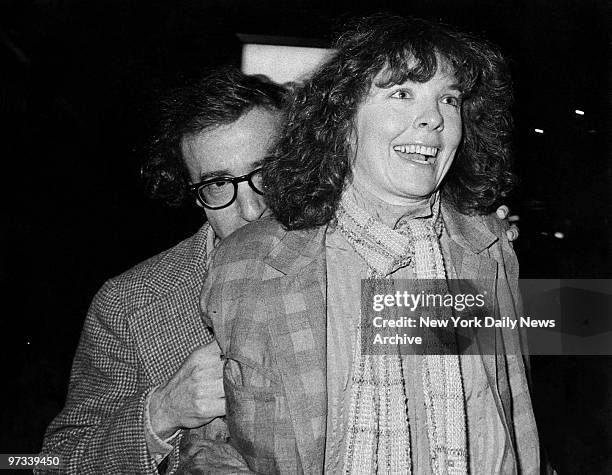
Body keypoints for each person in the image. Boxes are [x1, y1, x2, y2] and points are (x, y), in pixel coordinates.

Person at [202, 14, 541, 474]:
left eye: (450, 99)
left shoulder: (486, 248)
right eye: (401, 93)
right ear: (343, 119)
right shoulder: (246, 263)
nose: (434, 119)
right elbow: (217, 439)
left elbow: (516, 422)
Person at [40, 67, 285, 474]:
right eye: (219, 184)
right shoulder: (128, 304)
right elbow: (50, 464)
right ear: (194, 196)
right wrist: (163, 412)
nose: (252, 209)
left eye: (267, 173)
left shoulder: (377, 265)